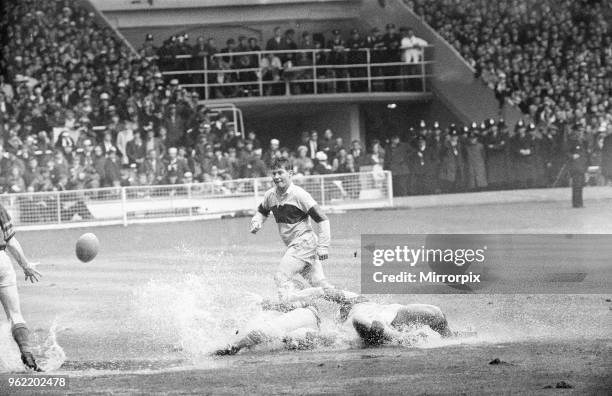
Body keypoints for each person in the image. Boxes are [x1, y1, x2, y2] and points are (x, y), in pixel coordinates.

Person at [250, 157, 333, 302]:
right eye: (273, 173)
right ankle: (350, 302)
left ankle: (298, 303)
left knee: (281, 277)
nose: (276, 177)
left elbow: (322, 219)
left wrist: (324, 246)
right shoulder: (270, 195)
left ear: (290, 173)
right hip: (298, 245)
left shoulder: (299, 195)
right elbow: (262, 211)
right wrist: (257, 222)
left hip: (304, 243)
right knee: (320, 283)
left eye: (280, 173)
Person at [0, 203, 42, 371]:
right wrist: (26, 265)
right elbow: (10, 241)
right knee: (16, 315)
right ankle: (27, 354)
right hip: (1, 261)